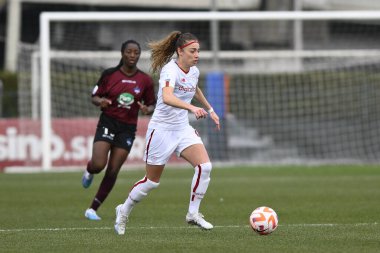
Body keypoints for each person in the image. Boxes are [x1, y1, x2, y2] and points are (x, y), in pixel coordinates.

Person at [113, 31, 220, 235]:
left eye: (198, 51)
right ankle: (123, 210)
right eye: (192, 51)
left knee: (205, 167)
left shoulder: (193, 70)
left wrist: (210, 109)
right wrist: (191, 109)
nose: (197, 55)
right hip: (161, 130)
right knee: (151, 182)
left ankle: (193, 214)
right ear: (180, 51)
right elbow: (168, 97)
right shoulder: (169, 70)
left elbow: (194, 88)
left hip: (182, 129)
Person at [81, 40, 156, 220]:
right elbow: (95, 96)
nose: (132, 55)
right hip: (108, 122)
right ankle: (89, 170)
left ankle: (92, 209)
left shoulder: (145, 80)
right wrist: (101, 102)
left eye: (135, 52)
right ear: (122, 54)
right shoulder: (109, 75)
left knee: (113, 169)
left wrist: (147, 109)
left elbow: (152, 104)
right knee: (99, 164)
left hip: (128, 129)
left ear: (139, 55)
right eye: (128, 52)